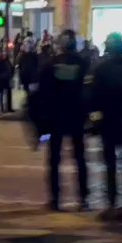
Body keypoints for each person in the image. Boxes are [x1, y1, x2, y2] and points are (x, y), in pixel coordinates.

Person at [36, 29, 91, 211]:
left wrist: (42, 122)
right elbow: (88, 92)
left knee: (54, 160)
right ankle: (83, 197)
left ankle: (55, 199)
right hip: (76, 117)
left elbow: (42, 95)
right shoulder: (83, 64)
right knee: (80, 159)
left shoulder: (51, 64)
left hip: (56, 118)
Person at [89, 32, 122, 222]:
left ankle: (111, 204)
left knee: (110, 165)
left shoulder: (101, 69)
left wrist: (94, 120)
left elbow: (93, 98)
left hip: (109, 123)